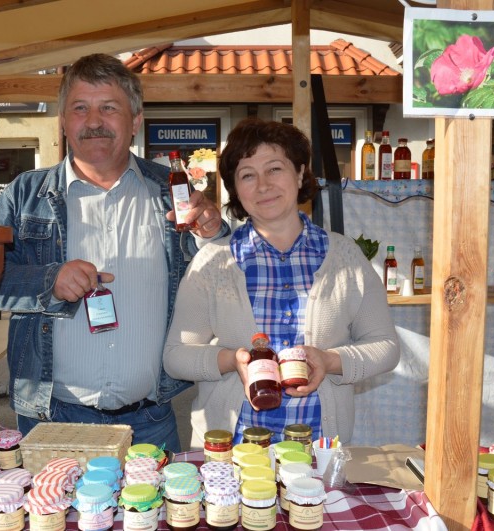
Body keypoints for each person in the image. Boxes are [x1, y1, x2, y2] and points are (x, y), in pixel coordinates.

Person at [0, 53, 227, 453]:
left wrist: (213, 235)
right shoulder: (24, 194)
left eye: (109, 108)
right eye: (80, 108)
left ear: (135, 121)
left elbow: (222, 278)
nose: (94, 121)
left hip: (150, 422)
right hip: (51, 420)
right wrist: (48, 281)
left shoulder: (172, 191)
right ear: (63, 121)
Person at [163, 118, 399, 449]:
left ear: (300, 173)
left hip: (319, 450)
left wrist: (329, 361)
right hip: (232, 453)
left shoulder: (345, 257)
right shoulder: (213, 263)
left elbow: (385, 347)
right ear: (235, 188)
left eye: (274, 169)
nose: (263, 185)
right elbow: (176, 356)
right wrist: (231, 360)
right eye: (247, 175)